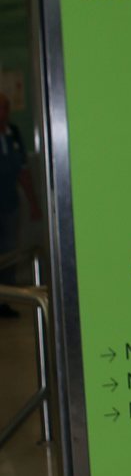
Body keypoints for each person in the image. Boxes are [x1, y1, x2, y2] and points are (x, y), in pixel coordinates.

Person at [0, 92, 41, 318]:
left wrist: (34, 204)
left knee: (9, 252)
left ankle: (5, 300)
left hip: (9, 204)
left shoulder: (13, 134)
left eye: (6, 108)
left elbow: (23, 172)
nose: (3, 113)